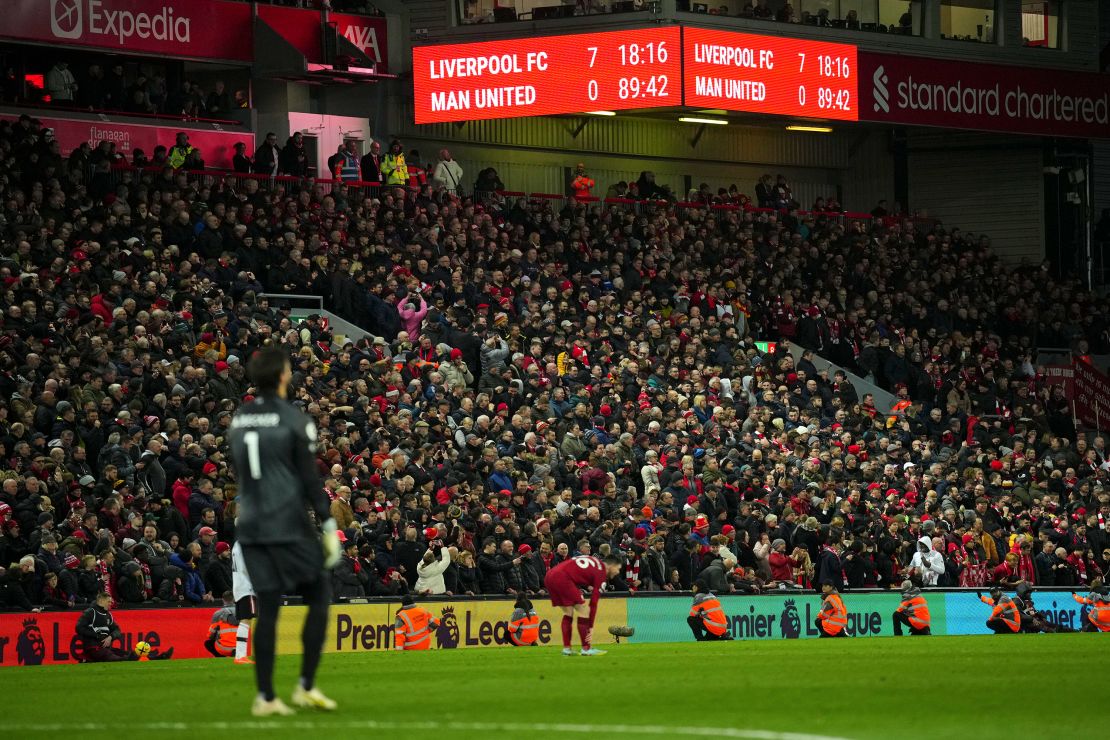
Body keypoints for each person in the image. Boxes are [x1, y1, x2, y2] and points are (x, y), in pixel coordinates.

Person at [229, 347, 339, 716]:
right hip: (287, 524)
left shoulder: (239, 419)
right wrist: (326, 521)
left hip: (250, 525)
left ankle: (265, 697)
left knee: (270, 606)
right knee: (320, 594)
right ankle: (305, 686)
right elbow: (309, 478)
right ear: (282, 376)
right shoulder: (295, 420)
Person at [542, 554, 622, 656]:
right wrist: (591, 627)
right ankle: (586, 648)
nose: (618, 572)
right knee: (584, 610)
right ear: (611, 565)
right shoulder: (601, 572)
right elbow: (593, 603)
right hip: (562, 577)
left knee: (568, 612)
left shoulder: (594, 561)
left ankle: (567, 649)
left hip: (550, 575)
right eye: (618, 569)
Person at [77, 591, 173, 662]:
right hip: (93, 648)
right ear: (101, 601)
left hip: (105, 648)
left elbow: (117, 630)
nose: (111, 604)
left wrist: (110, 637)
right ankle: (131, 658)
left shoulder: (108, 615)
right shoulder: (90, 612)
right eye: (109, 602)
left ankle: (159, 658)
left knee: (125, 653)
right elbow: (79, 628)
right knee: (115, 657)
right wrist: (97, 636)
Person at [231, 540, 255, 664]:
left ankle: (241, 655)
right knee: (246, 619)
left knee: (245, 620)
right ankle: (240, 655)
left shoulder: (237, 544)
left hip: (239, 585)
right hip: (247, 586)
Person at [205, 590, 240, 658]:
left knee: (208, 643)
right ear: (234, 599)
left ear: (223, 599)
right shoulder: (241, 612)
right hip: (241, 645)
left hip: (224, 648)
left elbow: (211, 635)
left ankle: (220, 657)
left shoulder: (217, 614)